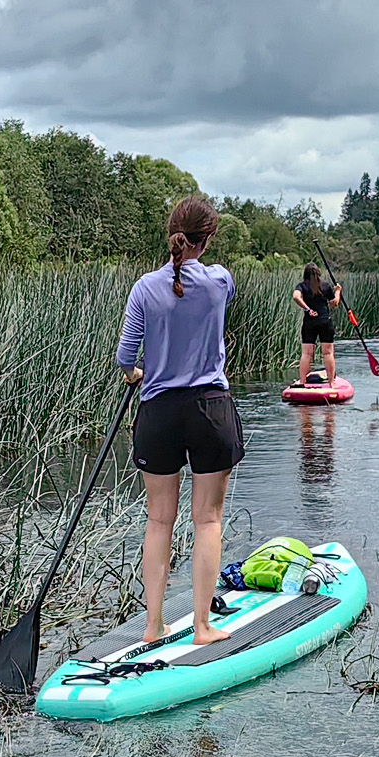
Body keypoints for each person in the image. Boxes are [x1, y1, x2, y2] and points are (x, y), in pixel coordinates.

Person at [118, 195, 245, 647]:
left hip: (159, 412)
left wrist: (139, 373)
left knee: (159, 522)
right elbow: (205, 292)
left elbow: (125, 357)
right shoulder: (220, 282)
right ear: (207, 239)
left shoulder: (143, 288)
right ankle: (203, 626)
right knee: (207, 520)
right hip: (209, 409)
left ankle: (153, 625)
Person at [293, 264, 340, 386]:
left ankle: (302, 382)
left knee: (307, 353)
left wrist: (307, 309)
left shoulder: (302, 286)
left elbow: (296, 297)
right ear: (318, 273)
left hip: (310, 322)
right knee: (328, 353)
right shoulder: (325, 286)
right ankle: (331, 383)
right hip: (325, 321)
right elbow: (334, 303)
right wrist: (338, 292)